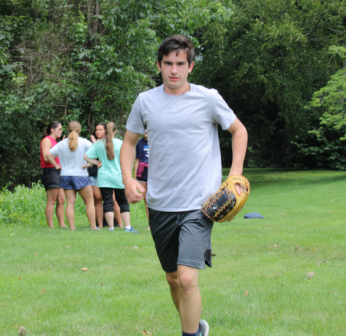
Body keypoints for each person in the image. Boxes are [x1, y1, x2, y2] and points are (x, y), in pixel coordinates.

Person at [120, 35, 248, 336]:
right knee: (173, 279)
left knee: (189, 279)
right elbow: (128, 142)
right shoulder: (145, 101)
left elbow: (238, 131)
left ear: (190, 66)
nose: (174, 70)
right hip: (160, 204)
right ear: (159, 65)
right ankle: (195, 326)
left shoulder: (208, 98)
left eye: (180, 64)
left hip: (200, 205)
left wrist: (236, 175)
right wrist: (127, 179)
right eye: (168, 64)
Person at [84, 122, 138, 233]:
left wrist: (95, 162)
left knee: (107, 202)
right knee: (123, 202)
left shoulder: (98, 144)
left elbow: (86, 156)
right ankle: (127, 227)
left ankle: (111, 228)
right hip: (119, 177)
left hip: (104, 178)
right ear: (115, 132)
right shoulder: (121, 143)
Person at [46, 121, 98, 231]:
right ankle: (93, 227)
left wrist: (56, 165)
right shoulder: (84, 142)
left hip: (65, 176)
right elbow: (97, 152)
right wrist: (89, 163)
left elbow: (48, 155)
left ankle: (72, 228)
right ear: (79, 131)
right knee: (89, 202)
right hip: (81, 176)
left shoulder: (61, 143)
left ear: (68, 131)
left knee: (70, 203)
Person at [89, 122, 125, 229]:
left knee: (114, 201)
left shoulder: (111, 143)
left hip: (108, 175)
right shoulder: (94, 144)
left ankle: (120, 224)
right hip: (96, 174)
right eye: (96, 130)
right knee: (99, 200)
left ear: (106, 131)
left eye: (100, 130)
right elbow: (88, 157)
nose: (97, 132)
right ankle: (100, 225)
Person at [40, 121, 67, 229]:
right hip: (49, 171)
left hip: (58, 171)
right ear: (52, 129)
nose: (61, 131)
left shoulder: (56, 142)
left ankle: (62, 225)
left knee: (61, 200)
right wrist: (60, 148)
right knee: (52, 199)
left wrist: (62, 146)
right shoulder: (47, 140)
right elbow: (46, 157)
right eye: (59, 129)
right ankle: (51, 226)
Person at [133, 131, 150, 229]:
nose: (146, 132)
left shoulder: (156, 141)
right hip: (143, 174)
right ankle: (150, 224)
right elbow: (137, 160)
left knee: (154, 198)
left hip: (155, 174)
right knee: (146, 199)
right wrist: (135, 177)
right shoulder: (139, 143)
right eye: (144, 129)